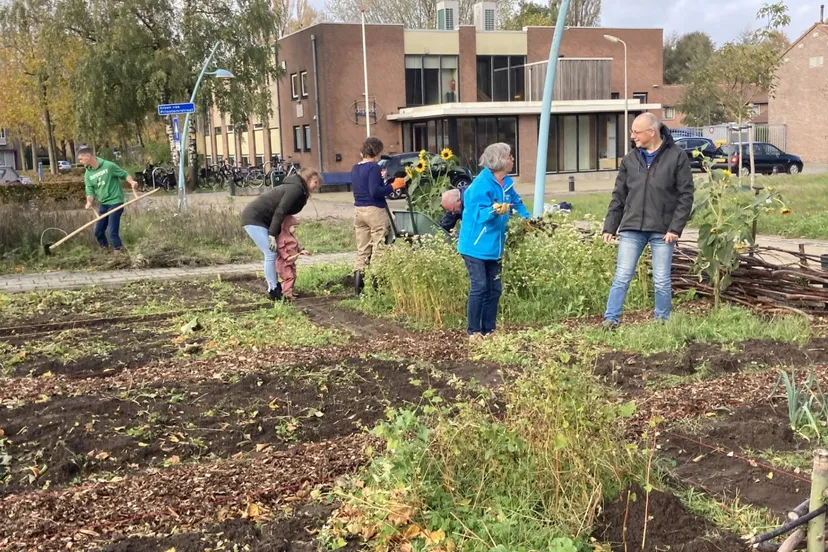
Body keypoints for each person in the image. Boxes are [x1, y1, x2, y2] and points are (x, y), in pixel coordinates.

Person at [602, 112, 694, 330]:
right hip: (632, 227)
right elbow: (619, 195)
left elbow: (686, 195)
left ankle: (662, 323)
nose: (632, 136)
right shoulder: (630, 159)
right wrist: (610, 226)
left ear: (651, 132)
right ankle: (610, 320)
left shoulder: (677, 157)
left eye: (636, 132)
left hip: (663, 231)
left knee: (661, 280)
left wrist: (675, 228)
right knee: (622, 276)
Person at [457, 143, 530, 342]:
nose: (512, 159)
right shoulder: (480, 186)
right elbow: (479, 215)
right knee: (480, 286)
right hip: (474, 247)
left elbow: (516, 202)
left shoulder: (506, 183)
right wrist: (494, 209)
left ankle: (489, 330)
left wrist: (528, 220)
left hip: (494, 247)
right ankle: (473, 332)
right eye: (509, 156)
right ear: (499, 161)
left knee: (495, 289)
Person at [241, 168, 323, 300]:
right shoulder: (295, 189)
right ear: (307, 179)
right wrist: (272, 234)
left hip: (264, 220)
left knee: (273, 253)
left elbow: (283, 214)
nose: (317, 186)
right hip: (254, 218)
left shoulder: (298, 189)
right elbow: (280, 210)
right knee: (270, 252)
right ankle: (274, 290)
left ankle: (278, 288)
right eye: (315, 182)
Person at [351, 137, 406, 295]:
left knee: (362, 250)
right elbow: (375, 191)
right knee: (379, 247)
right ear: (376, 152)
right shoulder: (374, 167)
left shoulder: (355, 168)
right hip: (374, 210)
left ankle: (358, 291)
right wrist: (393, 186)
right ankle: (377, 288)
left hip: (358, 210)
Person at [80, 146, 140, 256]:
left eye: (81, 159)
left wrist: (132, 182)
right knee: (98, 231)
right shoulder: (88, 174)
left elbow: (124, 174)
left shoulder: (109, 166)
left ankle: (119, 252)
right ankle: (105, 251)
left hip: (116, 201)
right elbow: (90, 191)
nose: (80, 162)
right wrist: (89, 202)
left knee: (112, 230)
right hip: (104, 204)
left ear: (88, 156)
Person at [276, 214, 310, 301]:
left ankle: (288, 290)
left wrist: (301, 250)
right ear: (287, 226)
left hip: (291, 262)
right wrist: (286, 256)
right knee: (289, 277)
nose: (295, 229)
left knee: (293, 276)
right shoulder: (282, 237)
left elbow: (294, 247)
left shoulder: (291, 236)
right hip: (284, 263)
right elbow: (281, 248)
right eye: (294, 227)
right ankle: (286, 293)